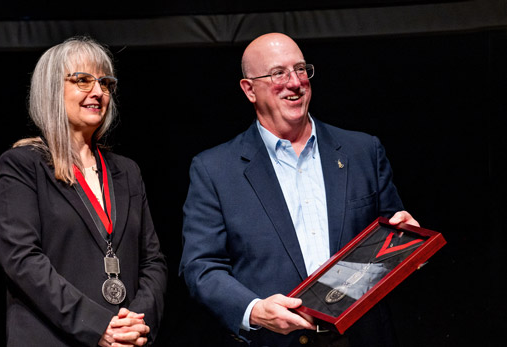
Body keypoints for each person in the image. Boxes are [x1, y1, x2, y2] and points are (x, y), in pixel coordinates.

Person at [179, 32, 419, 347]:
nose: (295, 82)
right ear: (249, 90)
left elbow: (392, 242)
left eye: (301, 69)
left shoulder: (362, 151)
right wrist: (255, 310)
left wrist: (408, 242)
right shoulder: (215, 169)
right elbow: (201, 267)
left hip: (361, 337)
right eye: (279, 73)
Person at [0, 36, 167, 347]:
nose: (98, 92)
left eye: (105, 83)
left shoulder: (127, 171)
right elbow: (23, 260)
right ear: (51, 90)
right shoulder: (22, 166)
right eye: (82, 80)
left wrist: (136, 324)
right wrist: (98, 326)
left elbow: (153, 262)